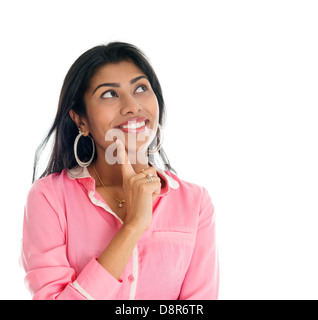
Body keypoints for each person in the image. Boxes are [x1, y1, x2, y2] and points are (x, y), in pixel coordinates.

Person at [21, 42, 219, 300]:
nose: (132, 106)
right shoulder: (49, 198)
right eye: (109, 94)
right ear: (81, 120)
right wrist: (133, 226)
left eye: (140, 88)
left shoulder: (195, 203)